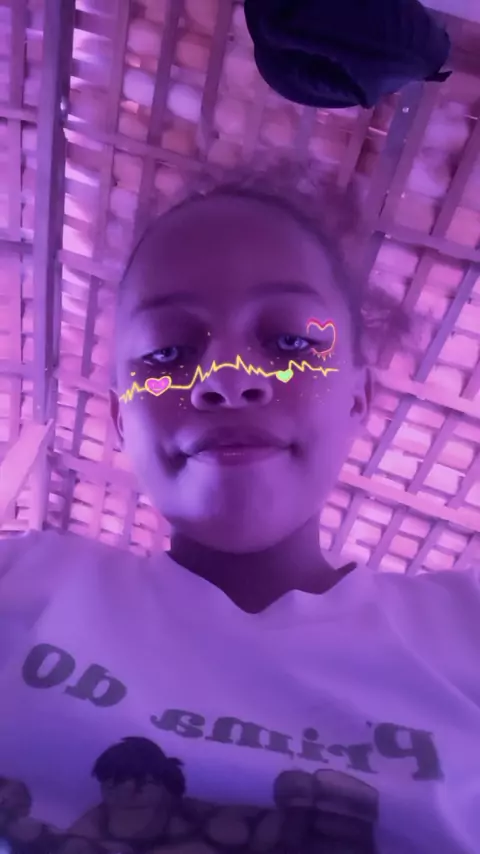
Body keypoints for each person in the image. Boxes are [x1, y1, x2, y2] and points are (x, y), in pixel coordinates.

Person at [0, 156, 479, 854]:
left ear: (358, 398)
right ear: (119, 417)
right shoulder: (18, 586)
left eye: (289, 341)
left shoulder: (466, 631)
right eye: (166, 352)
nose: (227, 378)